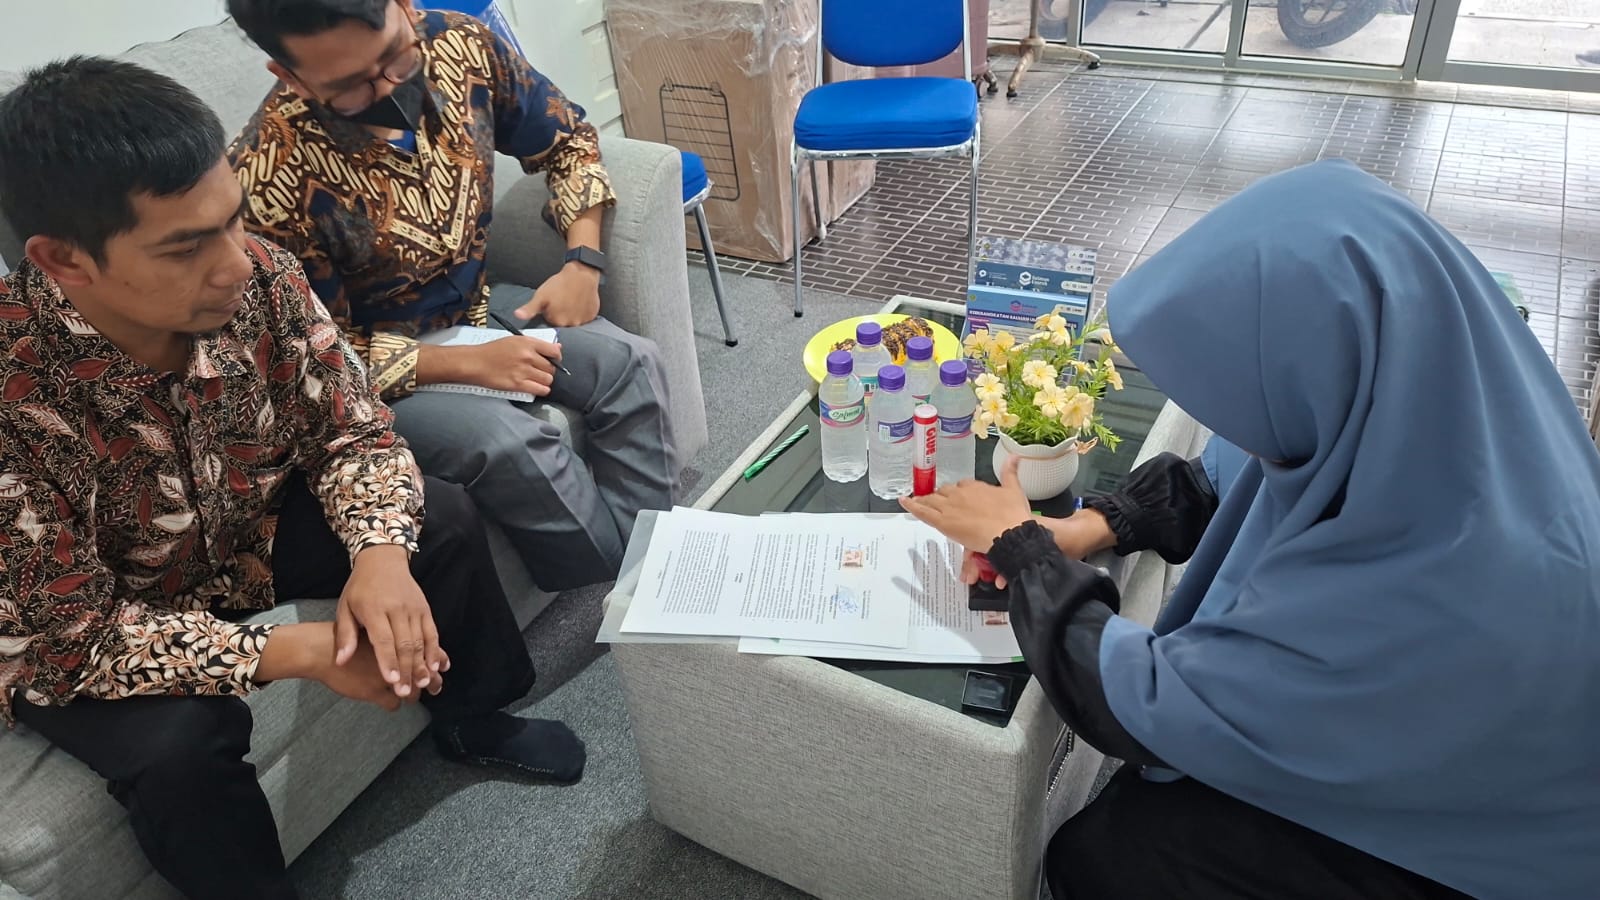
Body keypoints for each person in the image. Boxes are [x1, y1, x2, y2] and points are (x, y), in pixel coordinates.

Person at [902, 159, 1600, 899]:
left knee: (1111, 859)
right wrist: (1099, 524)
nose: (1238, 424)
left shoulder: (1463, 583)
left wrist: (1027, 551)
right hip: (1452, 750)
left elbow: (1154, 708)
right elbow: (1229, 477)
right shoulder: (1425, 383)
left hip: (1475, 851)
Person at [0, 58, 587, 900]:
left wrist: (380, 557)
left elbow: (352, 430)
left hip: (239, 530)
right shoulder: (15, 391)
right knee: (180, 741)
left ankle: (474, 715)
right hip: (91, 616)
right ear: (64, 261)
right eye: (184, 247)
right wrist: (293, 649)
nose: (235, 264)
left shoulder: (262, 278)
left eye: (231, 222)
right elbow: (68, 637)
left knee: (438, 521)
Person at [227, 0, 679, 591]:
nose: (389, 90)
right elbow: (306, 361)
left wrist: (582, 259)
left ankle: (662, 560)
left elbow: (568, 139)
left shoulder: (462, 44)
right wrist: (462, 363)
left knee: (628, 363)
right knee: (509, 442)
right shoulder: (267, 174)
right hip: (373, 374)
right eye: (350, 89)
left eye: (395, 57)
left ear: (406, 6)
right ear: (287, 75)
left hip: (477, 306)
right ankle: (623, 586)